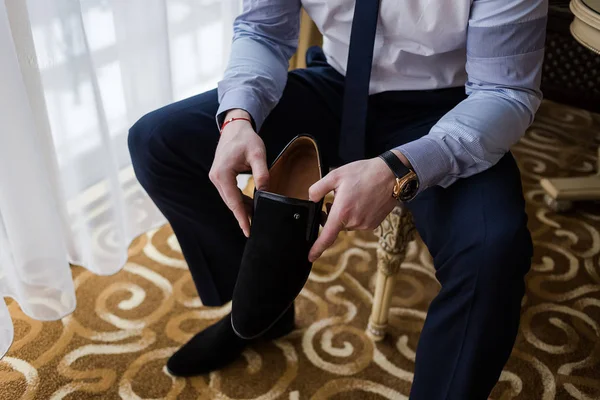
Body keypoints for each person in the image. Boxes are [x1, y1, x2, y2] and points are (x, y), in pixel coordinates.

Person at [128, 0, 547, 398]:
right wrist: (238, 116)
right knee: (157, 142)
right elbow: (262, 30)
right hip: (336, 84)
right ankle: (260, 305)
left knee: (493, 252)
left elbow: (505, 91)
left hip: (447, 110)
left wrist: (402, 168)